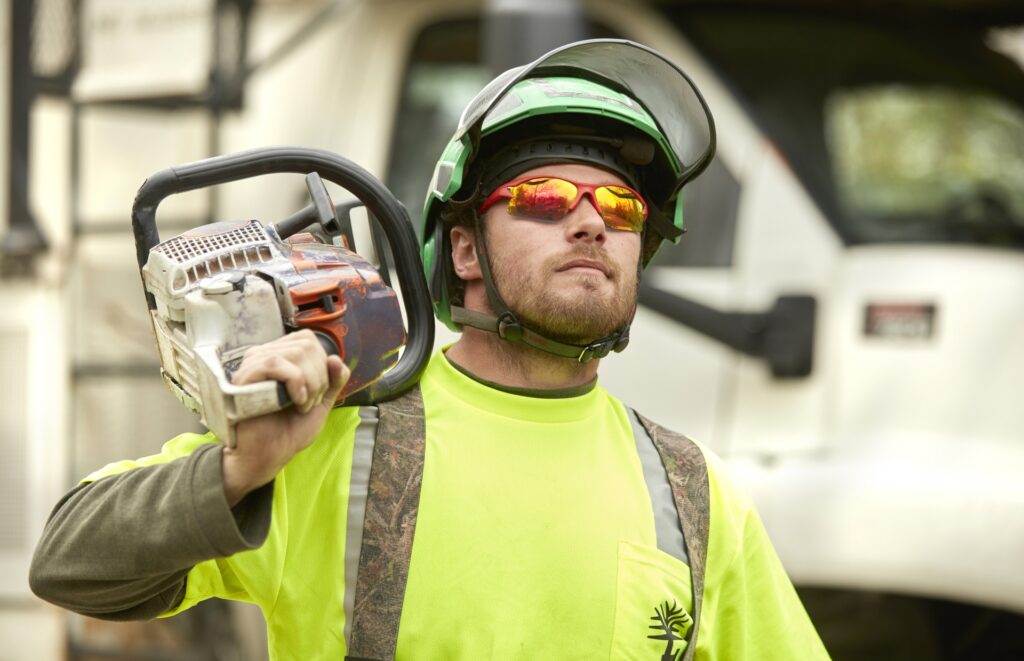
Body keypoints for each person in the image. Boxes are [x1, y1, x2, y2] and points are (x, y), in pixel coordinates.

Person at [30, 39, 830, 660]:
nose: (591, 222)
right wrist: (239, 469)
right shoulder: (335, 437)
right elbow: (67, 563)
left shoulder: (692, 495)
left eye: (620, 208)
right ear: (466, 250)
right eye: (545, 198)